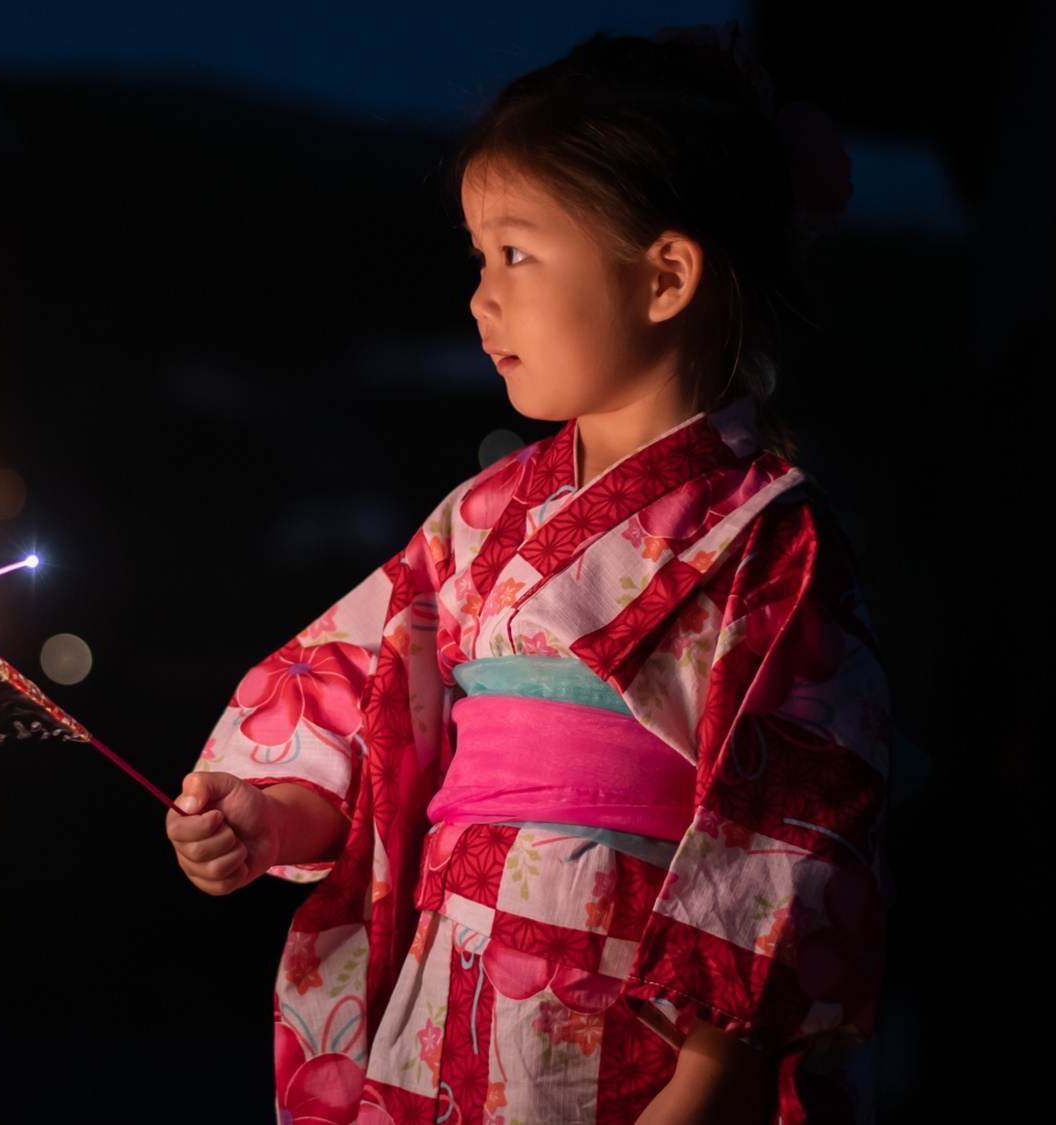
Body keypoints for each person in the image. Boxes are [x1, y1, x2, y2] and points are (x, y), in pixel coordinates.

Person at [165, 27, 886, 1125]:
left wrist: (706, 1080)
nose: (478, 297)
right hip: (449, 978)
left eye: (513, 253)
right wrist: (264, 814)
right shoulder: (478, 519)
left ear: (664, 275)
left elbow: (785, 823)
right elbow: (367, 700)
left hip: (633, 1020)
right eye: (476, 258)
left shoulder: (766, 533)